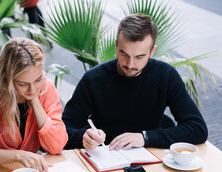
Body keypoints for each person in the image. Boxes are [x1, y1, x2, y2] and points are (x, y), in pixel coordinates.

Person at [62, 13, 208, 150]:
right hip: (104, 157)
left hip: (149, 155)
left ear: (152, 52)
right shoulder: (93, 79)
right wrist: (83, 137)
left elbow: (197, 129)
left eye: (139, 56)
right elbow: (63, 131)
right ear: (116, 45)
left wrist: (145, 137)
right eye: (124, 53)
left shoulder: (166, 75)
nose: (130, 64)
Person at [0, 38, 68, 172]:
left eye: (37, 80)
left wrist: (35, 101)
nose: (32, 89)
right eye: (22, 84)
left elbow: (57, 146)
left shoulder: (45, 88)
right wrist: (19, 155)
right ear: (6, 78)